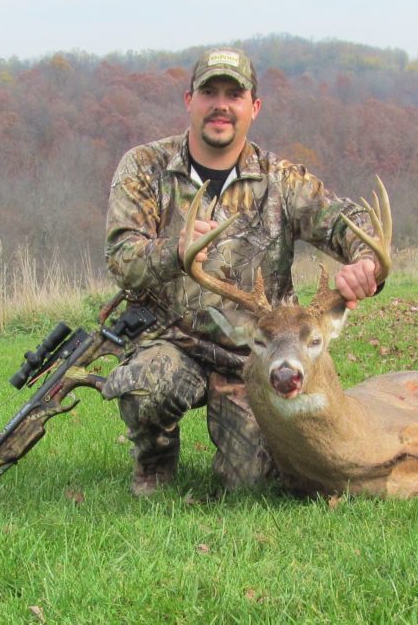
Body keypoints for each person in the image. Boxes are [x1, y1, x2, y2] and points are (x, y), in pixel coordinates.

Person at [103, 47, 381, 495]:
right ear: (188, 100)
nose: (220, 104)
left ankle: (243, 450)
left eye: (234, 94)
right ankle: (154, 462)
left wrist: (364, 261)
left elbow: (344, 221)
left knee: (252, 484)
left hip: (258, 355)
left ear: (253, 107)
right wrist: (173, 252)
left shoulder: (281, 179)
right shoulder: (145, 167)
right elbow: (121, 258)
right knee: (146, 386)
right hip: (171, 341)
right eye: (208, 92)